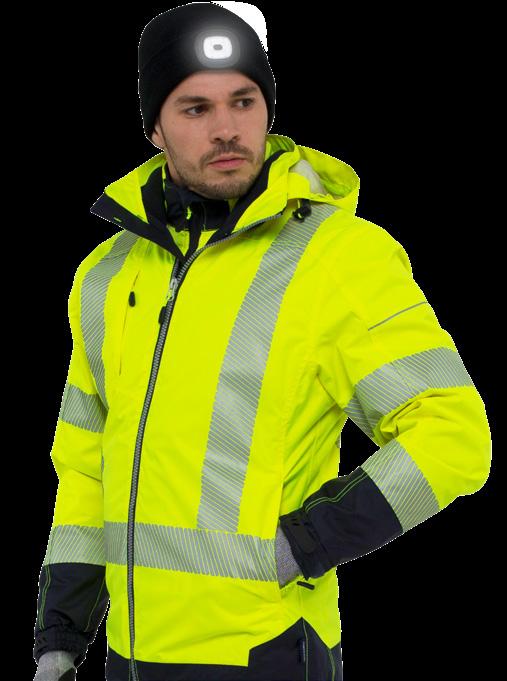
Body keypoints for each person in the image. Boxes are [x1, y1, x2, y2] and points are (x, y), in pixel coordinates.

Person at [32, 3, 492, 681]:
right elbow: (86, 464)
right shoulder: (107, 274)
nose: (226, 128)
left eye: (243, 101)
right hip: (130, 656)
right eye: (195, 108)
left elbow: (452, 434)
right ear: (154, 127)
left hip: (266, 650)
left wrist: (298, 547)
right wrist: (62, 633)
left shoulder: (337, 258)